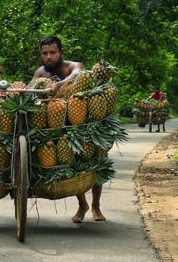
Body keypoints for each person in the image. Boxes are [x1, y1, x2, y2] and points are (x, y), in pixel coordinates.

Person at [30, 36, 106, 223]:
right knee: (68, 162)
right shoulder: (41, 72)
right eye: (45, 53)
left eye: (52, 53)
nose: (48, 57)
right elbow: (30, 85)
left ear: (61, 53)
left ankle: (96, 205)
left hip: (78, 121)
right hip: (53, 124)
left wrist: (60, 84)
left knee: (94, 160)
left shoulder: (72, 66)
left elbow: (78, 75)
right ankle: (82, 204)